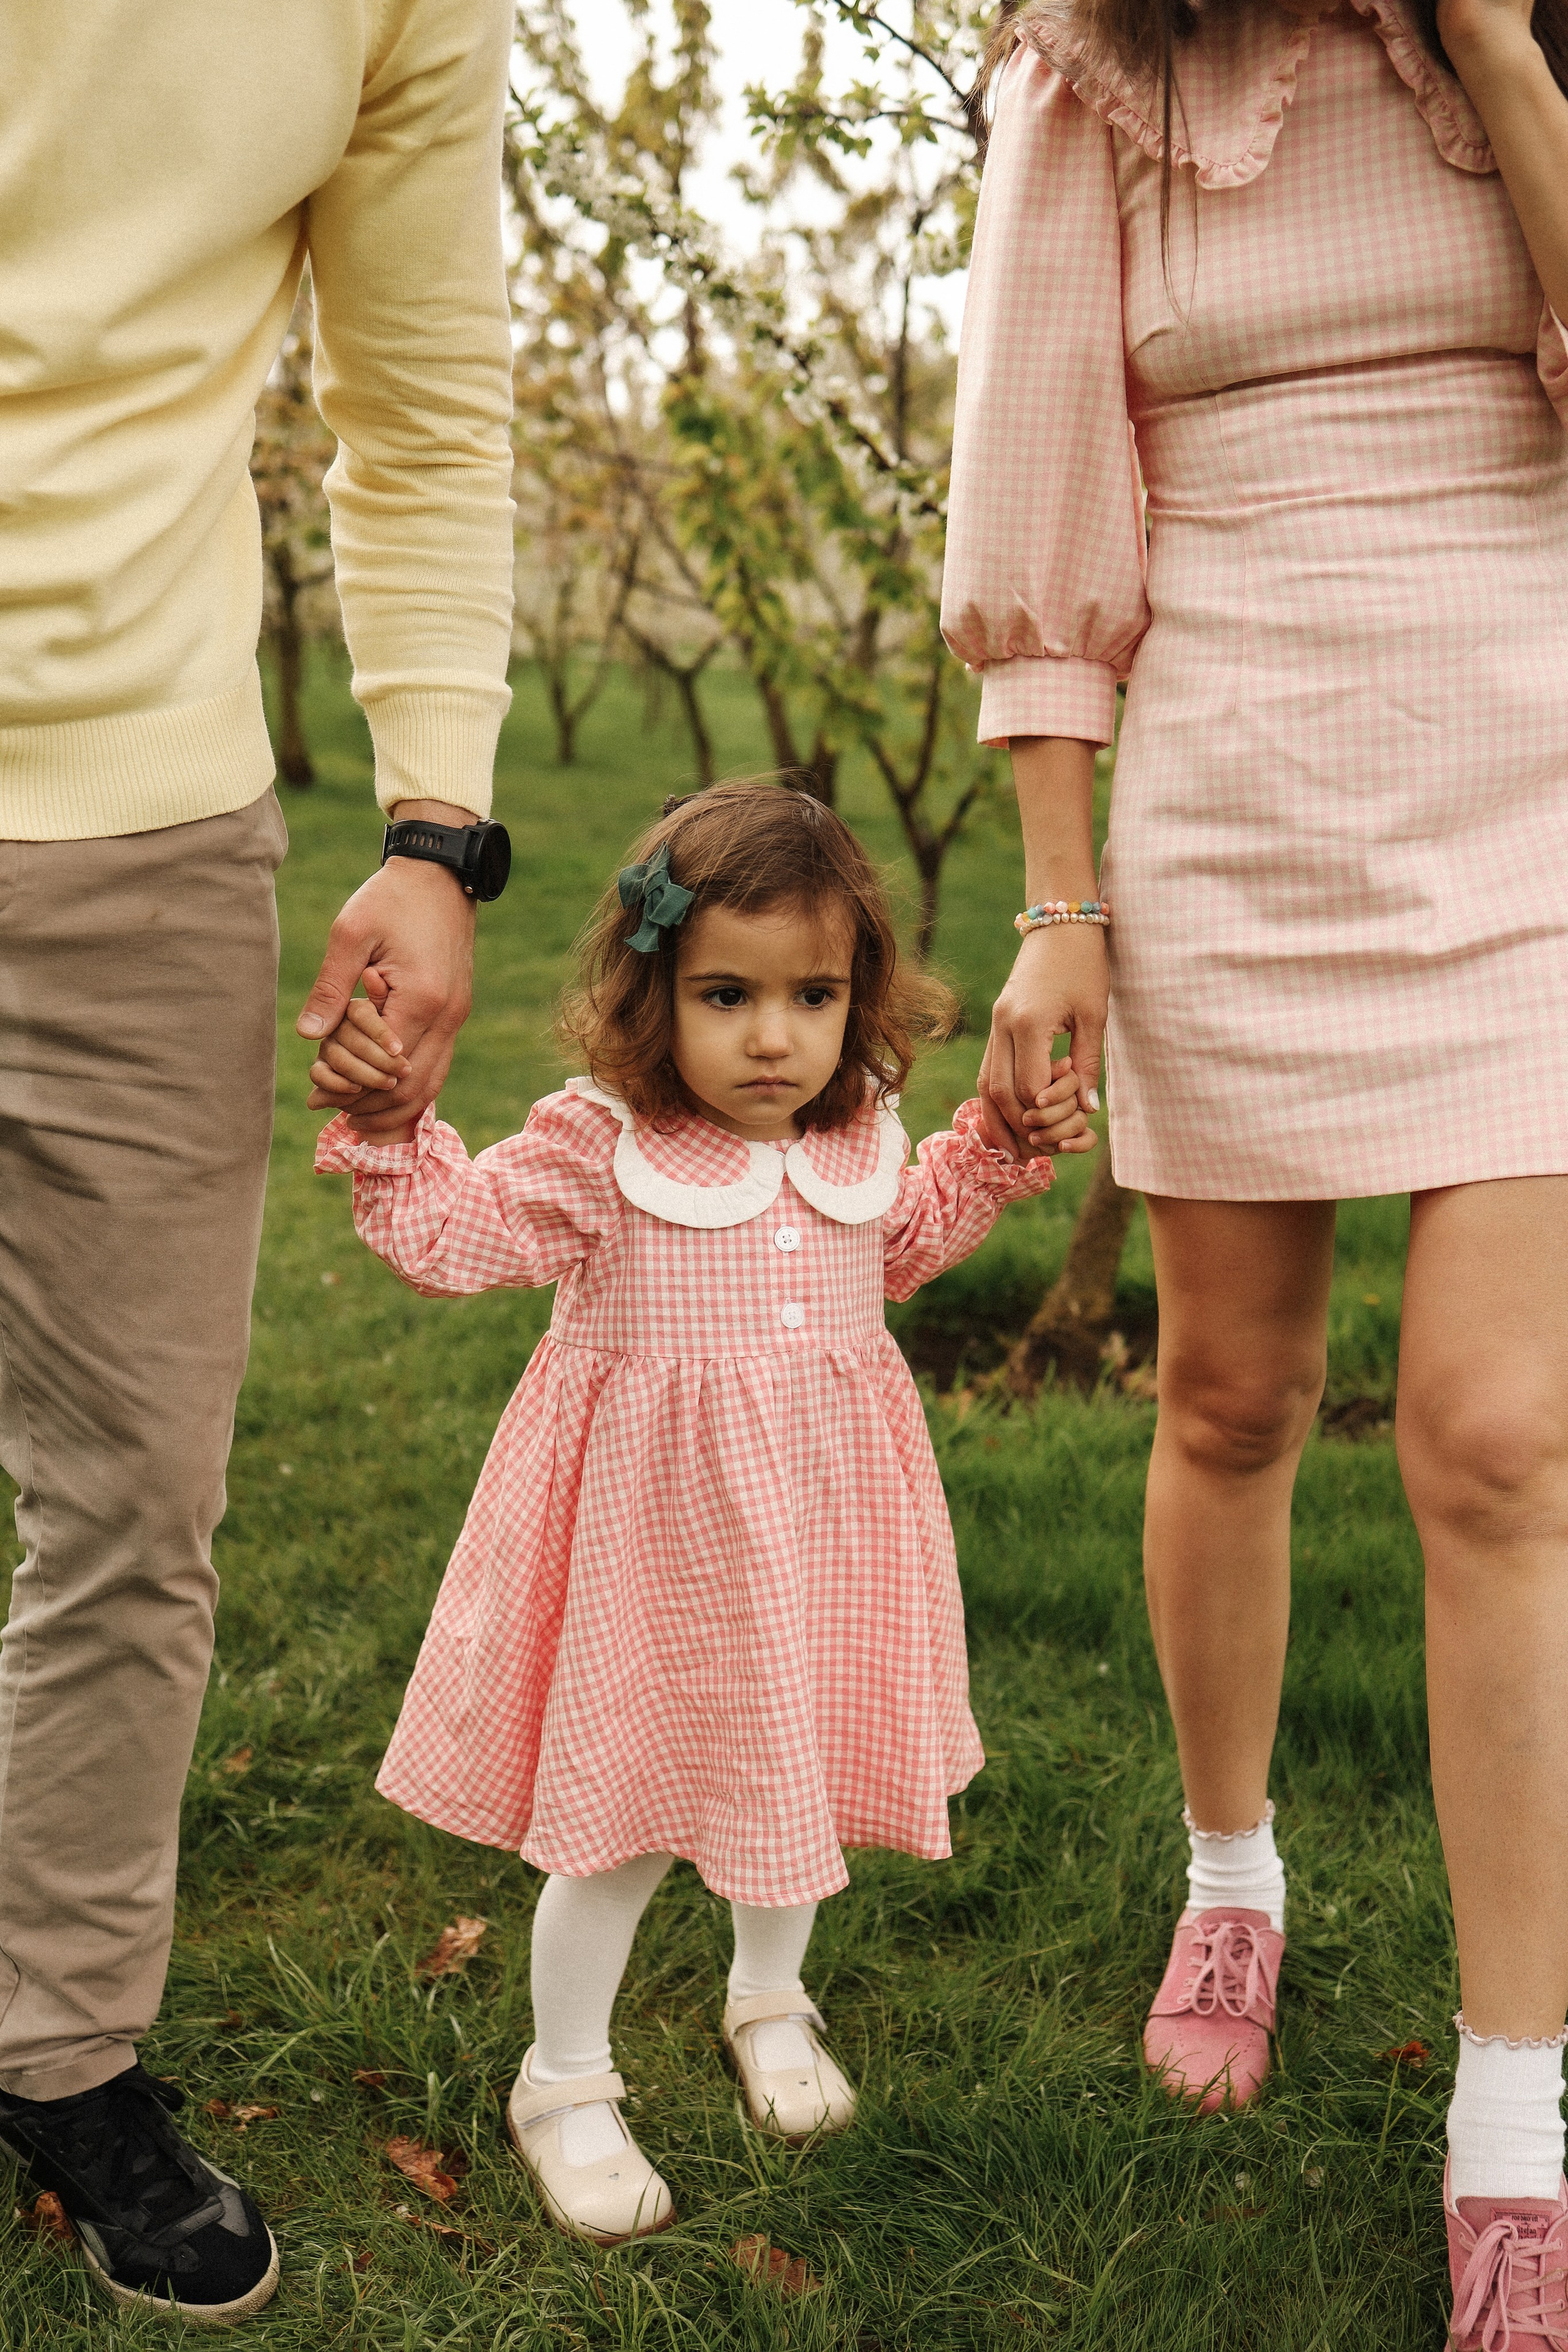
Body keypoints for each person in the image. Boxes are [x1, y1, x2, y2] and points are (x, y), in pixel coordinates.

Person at [943, 0, 1568, 2332]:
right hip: (1234, 789)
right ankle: (1234, 1874)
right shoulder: (1093, 65)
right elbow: (1041, 480)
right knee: (1231, 1396)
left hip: (1534, 779)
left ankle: (1517, 2103)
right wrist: (1062, 897)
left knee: (1500, 1438)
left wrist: (1499, 46)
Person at [0, 0, 516, 2323]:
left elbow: (421, 399)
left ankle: (56, 2042)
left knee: (135, 1499)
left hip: (143, 818)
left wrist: (438, 822)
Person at [308, 780, 1090, 2244]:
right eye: (726, 995)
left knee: (791, 1763)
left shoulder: (855, 1135)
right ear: (650, 986)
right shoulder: (601, 1148)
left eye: (812, 996)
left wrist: (994, 1134)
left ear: (857, 998)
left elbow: (909, 1237)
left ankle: (767, 1995)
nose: (773, 1037)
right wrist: (392, 1127)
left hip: (815, 1543)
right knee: (617, 1827)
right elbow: (453, 1239)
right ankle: (562, 2078)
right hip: (647, 1562)